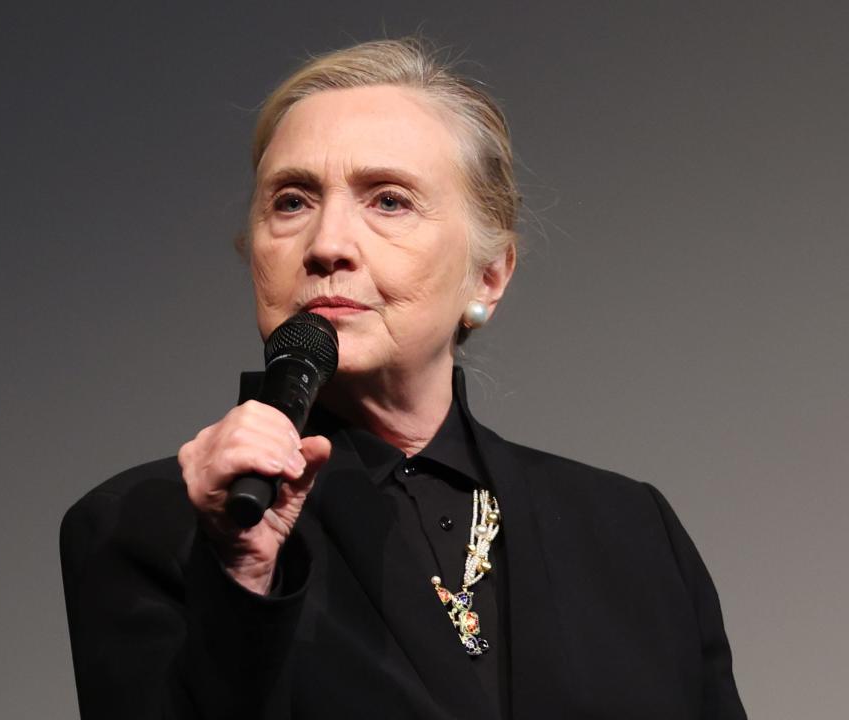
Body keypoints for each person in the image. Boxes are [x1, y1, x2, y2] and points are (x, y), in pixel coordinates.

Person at [60, 38, 747, 719]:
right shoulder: (151, 526)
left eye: (388, 201)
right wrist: (242, 577)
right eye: (292, 201)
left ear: (490, 274)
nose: (327, 244)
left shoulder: (631, 533)